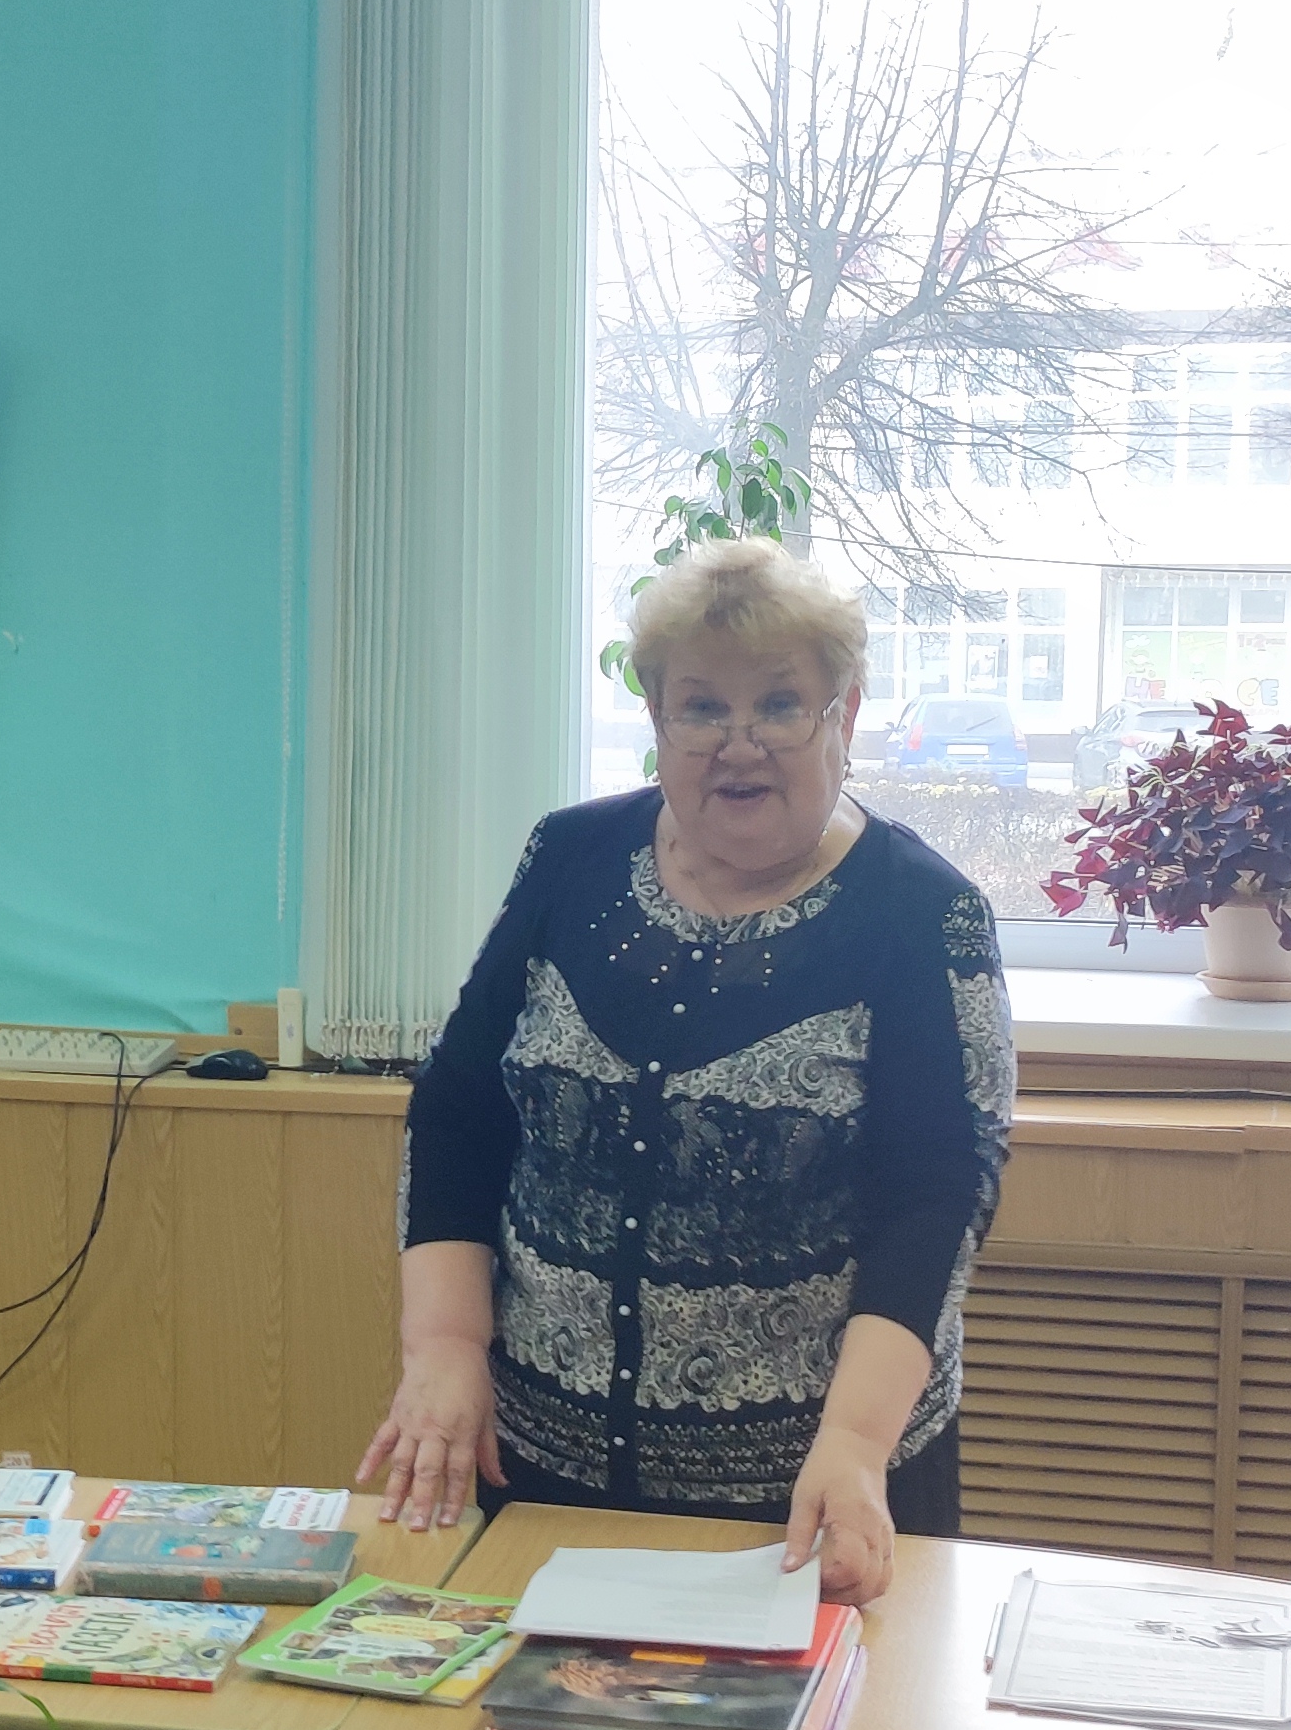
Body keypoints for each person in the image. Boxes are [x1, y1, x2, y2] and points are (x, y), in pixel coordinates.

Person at [361, 538, 1013, 1609]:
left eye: (779, 704)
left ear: (844, 716)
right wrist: (442, 1345)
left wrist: (855, 1441)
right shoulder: (569, 858)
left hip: (811, 1496)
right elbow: (460, 1111)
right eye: (701, 707)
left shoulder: (920, 910)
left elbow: (936, 1196)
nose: (737, 744)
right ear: (657, 721)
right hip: (539, 1470)